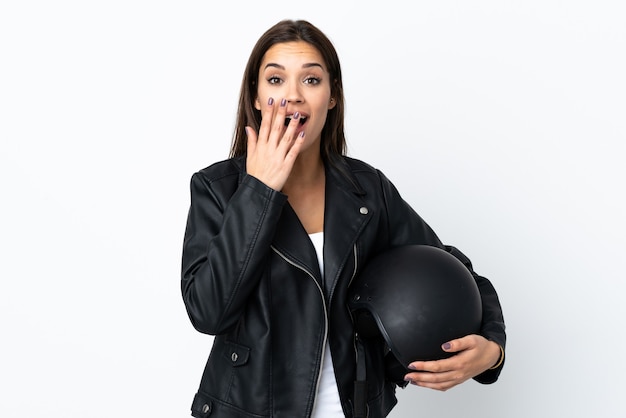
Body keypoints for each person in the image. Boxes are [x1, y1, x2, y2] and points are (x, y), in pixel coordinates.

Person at [180, 19, 506, 418]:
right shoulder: (217, 189)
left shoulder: (367, 190)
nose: (292, 97)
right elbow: (208, 310)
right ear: (256, 94)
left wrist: (492, 348)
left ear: (331, 96)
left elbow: (452, 268)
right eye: (276, 80)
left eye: (311, 81)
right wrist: (259, 191)